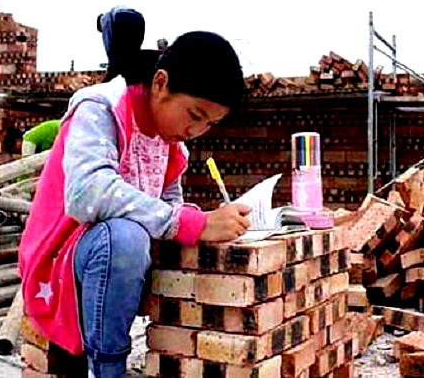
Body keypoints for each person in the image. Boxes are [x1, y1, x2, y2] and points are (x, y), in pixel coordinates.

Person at [18, 31, 251, 377]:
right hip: (62, 258)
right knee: (124, 238)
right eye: (194, 114)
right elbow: (87, 195)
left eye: (209, 124)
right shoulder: (100, 108)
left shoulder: (173, 144)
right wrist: (193, 224)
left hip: (118, 268)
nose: (196, 130)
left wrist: (203, 223)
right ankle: (107, 369)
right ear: (160, 83)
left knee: (140, 238)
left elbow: (170, 206)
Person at [97, 6, 146, 82]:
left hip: (122, 18)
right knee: (133, 53)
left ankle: (114, 77)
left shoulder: (104, 20)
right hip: (139, 18)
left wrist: (111, 65)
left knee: (117, 55)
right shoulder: (112, 13)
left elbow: (109, 45)